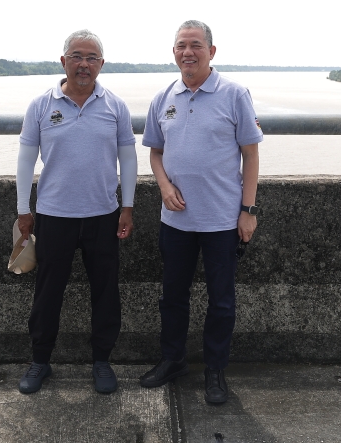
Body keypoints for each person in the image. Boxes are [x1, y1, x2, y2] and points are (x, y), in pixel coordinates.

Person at [139, 20, 262, 405]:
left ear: (211, 51)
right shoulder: (164, 98)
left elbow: (251, 154)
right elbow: (155, 153)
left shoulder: (234, 93)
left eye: (195, 45)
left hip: (222, 220)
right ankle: (173, 360)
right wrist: (163, 185)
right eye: (180, 46)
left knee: (221, 301)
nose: (187, 52)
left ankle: (215, 370)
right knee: (172, 296)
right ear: (173, 52)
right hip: (175, 220)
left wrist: (249, 210)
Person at [15, 29, 137, 395]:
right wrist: (24, 210)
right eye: (77, 56)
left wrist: (127, 206)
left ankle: (102, 361)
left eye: (92, 58)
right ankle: (40, 360)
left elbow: (128, 158)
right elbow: (25, 159)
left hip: (103, 215)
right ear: (63, 61)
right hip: (53, 215)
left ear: (101, 64)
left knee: (105, 291)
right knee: (48, 291)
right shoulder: (41, 105)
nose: (84, 64)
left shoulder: (115, 106)